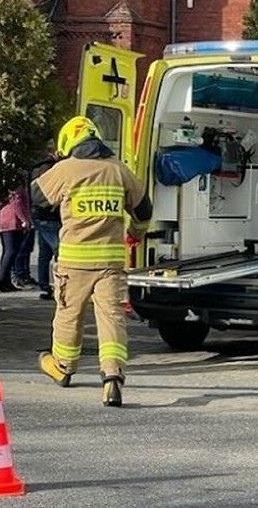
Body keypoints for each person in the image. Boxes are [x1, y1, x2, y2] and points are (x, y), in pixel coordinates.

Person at [31, 116, 151, 407]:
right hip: (110, 261)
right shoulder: (119, 170)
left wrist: (54, 165)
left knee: (69, 315)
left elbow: (37, 196)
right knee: (111, 317)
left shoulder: (67, 170)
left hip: (74, 262)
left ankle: (63, 366)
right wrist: (135, 233)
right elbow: (144, 210)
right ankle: (112, 377)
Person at [30, 151, 63, 300]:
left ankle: (45, 286)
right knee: (60, 250)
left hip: (41, 215)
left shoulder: (39, 167)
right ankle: (60, 286)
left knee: (44, 253)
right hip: (48, 216)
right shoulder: (50, 169)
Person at [0, 180, 34, 292]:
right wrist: (24, 219)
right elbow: (17, 202)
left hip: (5, 220)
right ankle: (3, 281)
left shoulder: (6, 184)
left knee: (9, 252)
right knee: (11, 251)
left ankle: (6, 281)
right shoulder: (15, 184)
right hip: (12, 221)